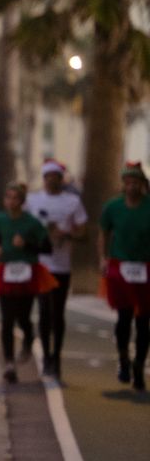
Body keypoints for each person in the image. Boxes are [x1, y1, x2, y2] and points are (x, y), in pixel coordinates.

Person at [25, 160, 89, 380]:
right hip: (41, 264)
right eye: (48, 176)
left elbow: (84, 233)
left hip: (62, 265)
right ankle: (47, 359)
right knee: (44, 312)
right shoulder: (33, 201)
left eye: (56, 176)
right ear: (43, 179)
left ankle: (57, 356)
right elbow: (23, 225)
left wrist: (67, 235)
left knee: (58, 313)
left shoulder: (72, 202)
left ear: (62, 179)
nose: (52, 180)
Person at [0, 183, 57, 383]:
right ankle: (10, 363)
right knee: (6, 319)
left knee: (22, 317)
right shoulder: (0, 219)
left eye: (15, 198)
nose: (10, 202)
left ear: (22, 201)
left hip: (27, 273)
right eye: (8, 198)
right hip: (6, 271)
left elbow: (47, 248)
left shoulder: (32, 223)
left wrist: (27, 244)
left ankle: (29, 338)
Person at [100, 161, 150, 391]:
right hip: (120, 266)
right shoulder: (113, 207)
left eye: (136, 182)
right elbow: (104, 233)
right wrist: (103, 258)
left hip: (146, 267)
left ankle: (139, 364)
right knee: (123, 318)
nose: (131, 186)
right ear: (123, 185)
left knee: (143, 322)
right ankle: (123, 359)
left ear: (142, 184)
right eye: (128, 182)